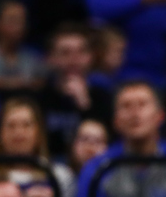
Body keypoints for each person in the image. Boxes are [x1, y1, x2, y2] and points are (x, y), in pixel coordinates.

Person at [37, 22, 113, 157]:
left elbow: (108, 140)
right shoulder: (39, 98)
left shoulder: (104, 98)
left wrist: (85, 105)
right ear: (51, 58)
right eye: (65, 53)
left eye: (81, 51)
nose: (74, 59)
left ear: (90, 57)